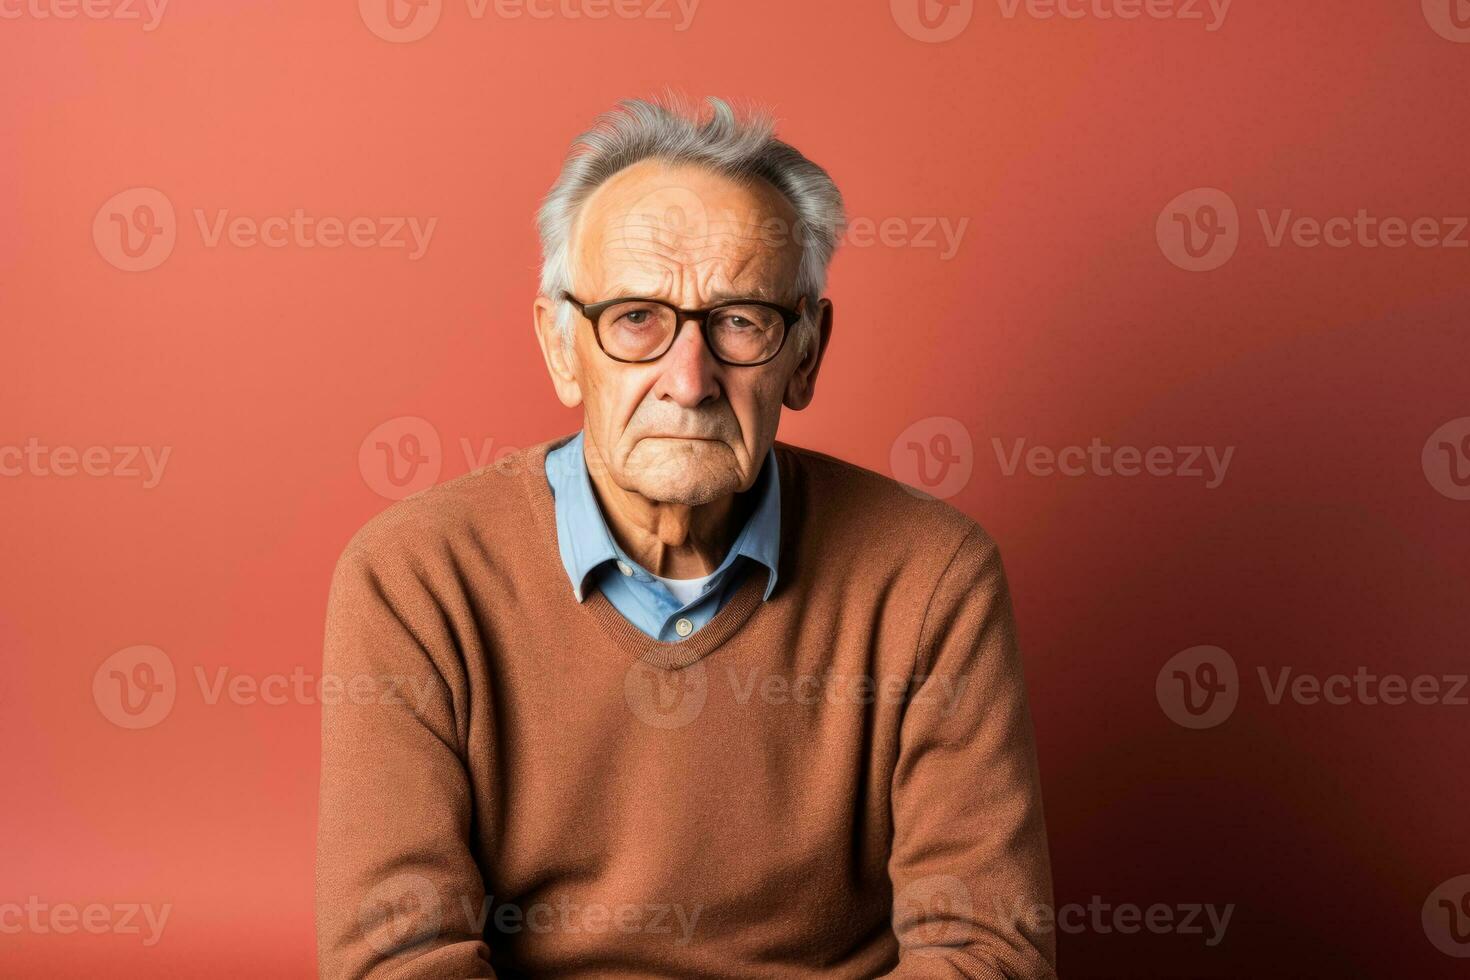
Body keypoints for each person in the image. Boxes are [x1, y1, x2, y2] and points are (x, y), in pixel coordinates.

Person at [316, 93, 1056, 979]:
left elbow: (985, 955)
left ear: (806, 353)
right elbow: (399, 959)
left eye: (741, 320)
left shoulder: (933, 576)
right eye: (637, 319)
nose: (689, 379)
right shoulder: (413, 578)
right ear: (560, 346)